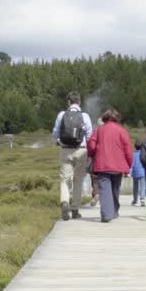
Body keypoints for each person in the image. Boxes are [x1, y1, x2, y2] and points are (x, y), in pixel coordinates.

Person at [86, 108, 133, 223]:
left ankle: (107, 214)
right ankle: (114, 211)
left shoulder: (98, 130)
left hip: (102, 164)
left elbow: (91, 146)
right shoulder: (122, 131)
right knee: (115, 189)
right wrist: (129, 165)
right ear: (117, 118)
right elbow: (128, 150)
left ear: (105, 118)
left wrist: (92, 154)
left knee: (104, 189)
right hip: (118, 166)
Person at [51, 92, 93, 221]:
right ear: (79, 102)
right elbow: (90, 135)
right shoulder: (85, 116)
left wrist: (59, 140)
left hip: (65, 150)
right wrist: (90, 154)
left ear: (68, 102)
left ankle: (64, 202)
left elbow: (55, 133)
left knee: (65, 180)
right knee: (78, 181)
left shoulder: (61, 115)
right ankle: (75, 210)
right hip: (81, 150)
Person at [129, 137, 145, 206]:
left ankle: (135, 200)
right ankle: (142, 198)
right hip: (143, 172)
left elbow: (131, 165)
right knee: (143, 186)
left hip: (135, 173)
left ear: (135, 147)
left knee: (135, 187)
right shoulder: (143, 154)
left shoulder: (133, 155)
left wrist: (129, 173)